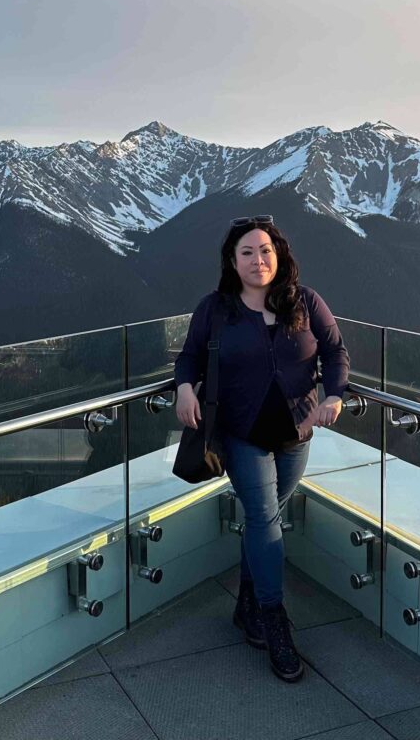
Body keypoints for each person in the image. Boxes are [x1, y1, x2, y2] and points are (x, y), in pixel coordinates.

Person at [173, 215, 350, 682]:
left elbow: (335, 351)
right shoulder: (215, 309)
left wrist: (334, 395)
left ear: (279, 254)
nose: (258, 260)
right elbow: (189, 356)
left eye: (265, 250)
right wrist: (185, 388)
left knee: (263, 520)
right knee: (265, 519)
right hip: (242, 435)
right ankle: (275, 621)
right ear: (232, 262)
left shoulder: (306, 301)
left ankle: (246, 605)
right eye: (247, 252)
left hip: (297, 435)